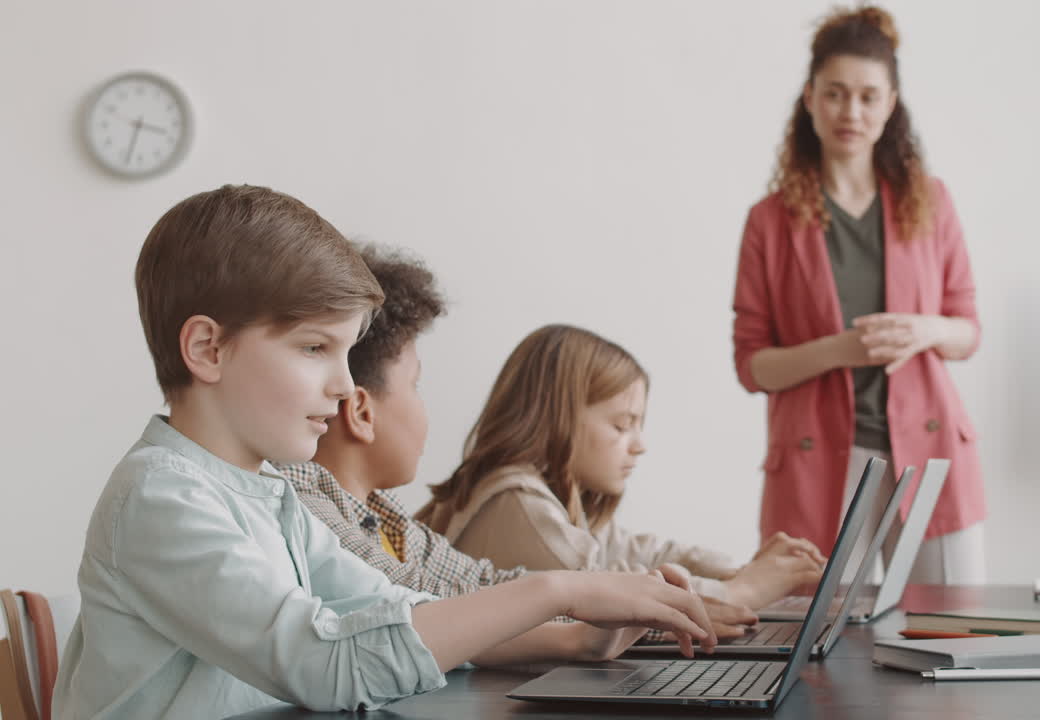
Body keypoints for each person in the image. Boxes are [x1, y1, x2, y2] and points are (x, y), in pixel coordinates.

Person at [52, 185, 715, 720]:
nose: (343, 386)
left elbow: (402, 613)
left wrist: (577, 634)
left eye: (347, 354)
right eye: (315, 349)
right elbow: (326, 665)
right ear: (207, 349)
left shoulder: (269, 494)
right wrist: (560, 588)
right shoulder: (163, 497)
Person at [276, 244, 756, 637]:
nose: (640, 445)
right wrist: (743, 589)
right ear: (361, 410)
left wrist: (597, 613)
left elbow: (475, 582)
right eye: (418, 385)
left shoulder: (385, 515)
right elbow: (414, 605)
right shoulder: (302, 504)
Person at [731, 5, 985, 584]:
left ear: (891, 103)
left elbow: (968, 328)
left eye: (869, 96)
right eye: (837, 93)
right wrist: (840, 350)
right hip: (820, 460)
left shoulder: (931, 200)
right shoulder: (769, 222)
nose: (852, 111)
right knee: (826, 651)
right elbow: (752, 365)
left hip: (930, 448)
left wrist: (928, 330)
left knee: (953, 632)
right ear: (810, 98)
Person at [419, 324, 826, 610]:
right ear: (556, 418)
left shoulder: (559, 498)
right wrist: (742, 591)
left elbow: (636, 551)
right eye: (621, 425)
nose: (640, 445)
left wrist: (738, 570)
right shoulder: (517, 504)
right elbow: (609, 589)